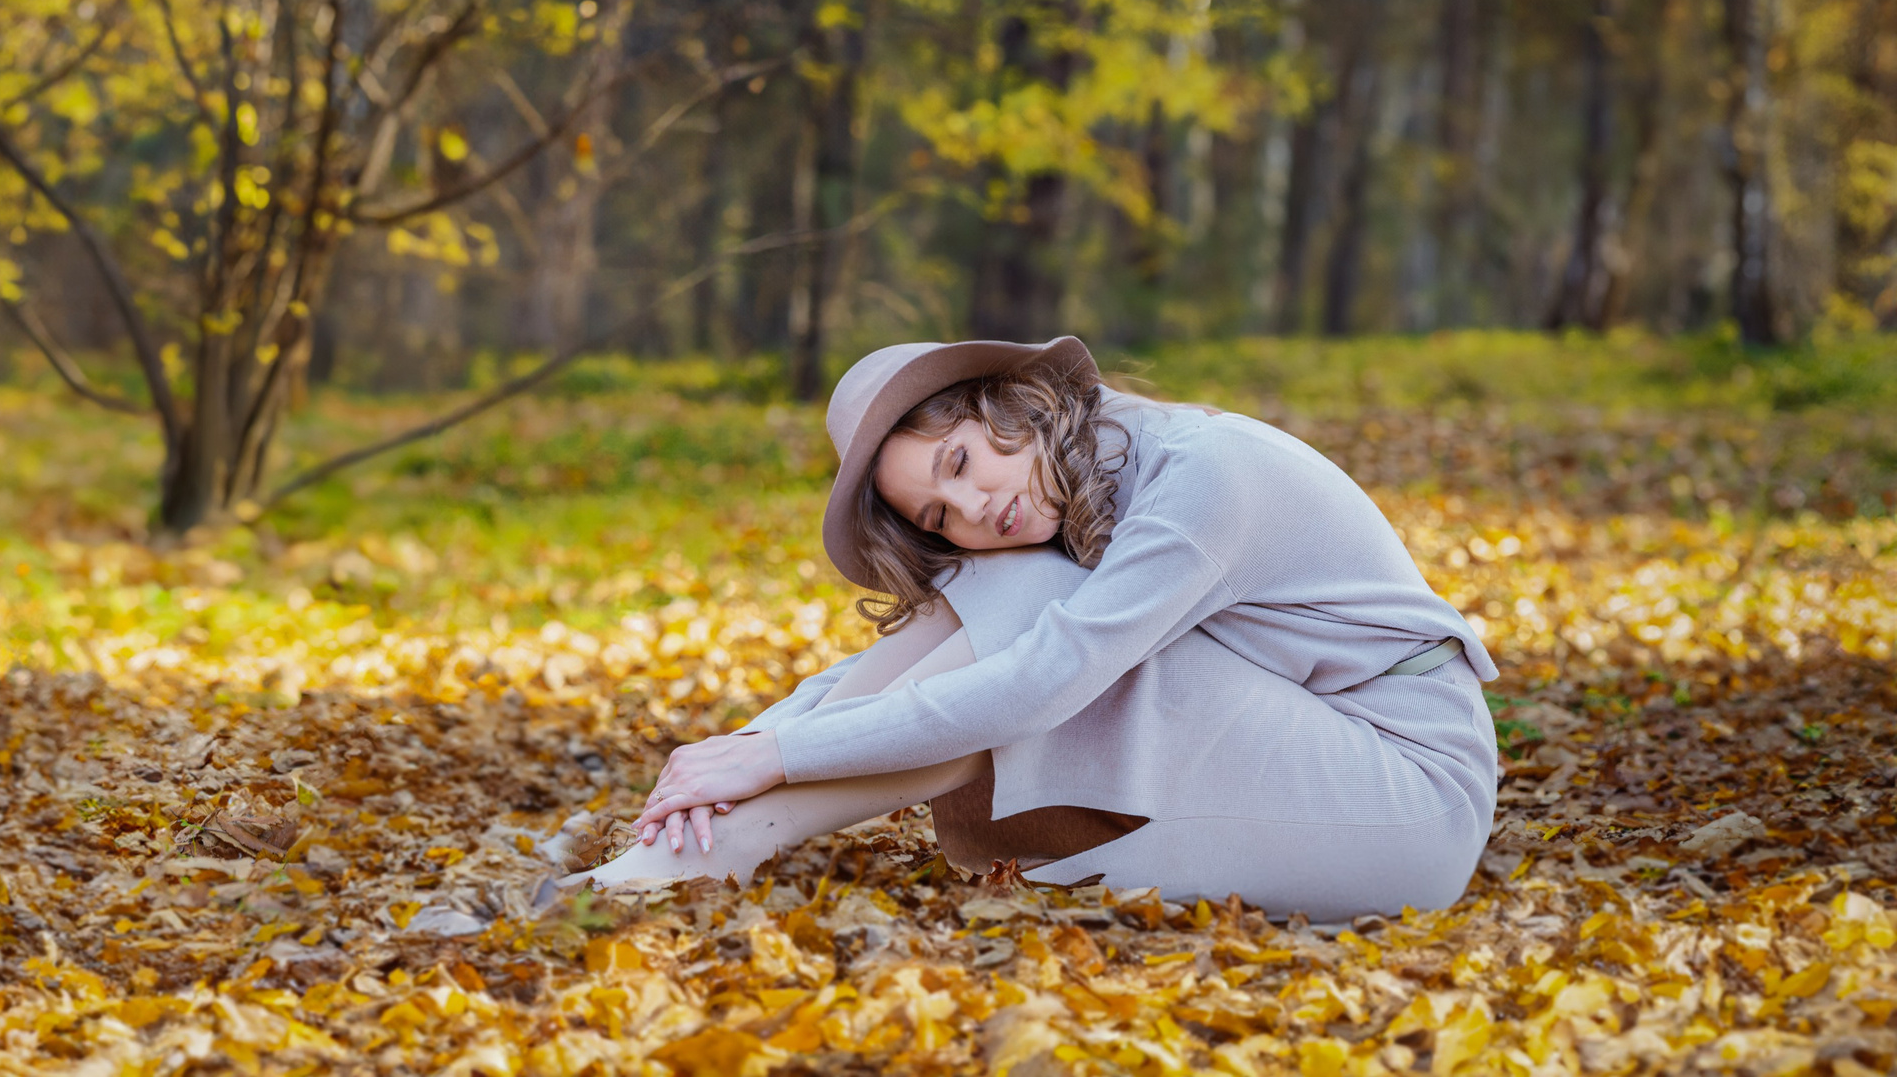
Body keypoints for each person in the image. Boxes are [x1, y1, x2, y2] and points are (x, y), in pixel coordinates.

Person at [573, 337, 1499, 921]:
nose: (976, 506)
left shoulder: (1207, 476)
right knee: (1006, 585)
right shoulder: (1084, 482)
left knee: (1028, 618)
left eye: (962, 460)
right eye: (939, 514)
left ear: (1010, 402)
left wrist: (775, 753)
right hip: (1322, 749)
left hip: (1406, 796)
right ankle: (698, 838)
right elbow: (888, 661)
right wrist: (733, 752)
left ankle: (722, 846)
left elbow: (1039, 683)